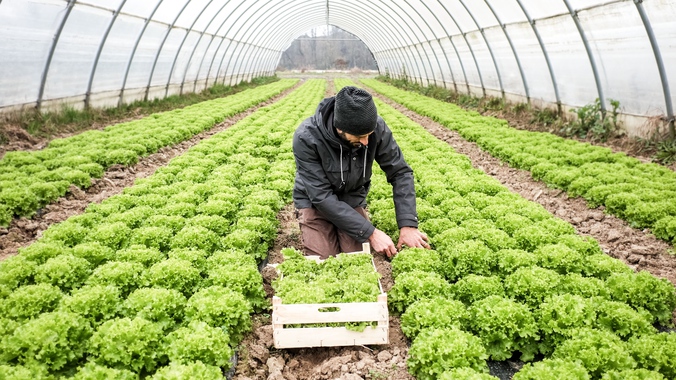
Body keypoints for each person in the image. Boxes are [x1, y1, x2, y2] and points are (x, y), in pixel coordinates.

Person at [292, 85, 429, 259]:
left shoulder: (376, 128)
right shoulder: (307, 137)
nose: (366, 142)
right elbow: (321, 197)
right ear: (340, 128)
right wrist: (371, 232)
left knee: (357, 257)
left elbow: (400, 172)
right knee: (324, 259)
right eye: (359, 137)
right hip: (314, 202)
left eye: (369, 135)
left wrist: (408, 225)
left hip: (351, 198)